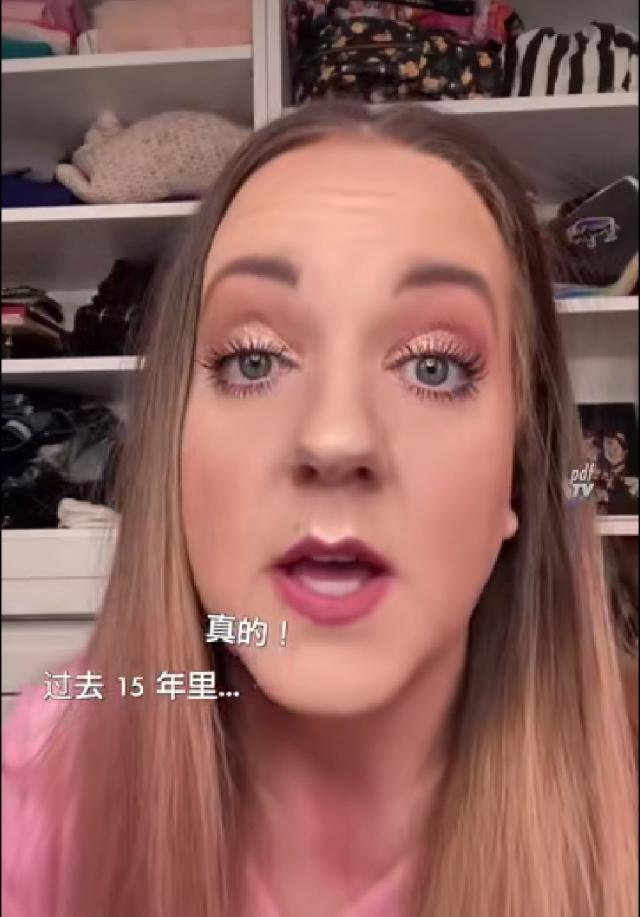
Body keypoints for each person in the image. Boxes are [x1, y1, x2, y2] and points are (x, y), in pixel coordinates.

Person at [2, 101, 638, 917]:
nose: (335, 438)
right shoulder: (61, 746)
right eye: (254, 360)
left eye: (435, 367)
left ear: (517, 470)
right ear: (177, 449)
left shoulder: (618, 814)